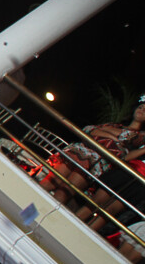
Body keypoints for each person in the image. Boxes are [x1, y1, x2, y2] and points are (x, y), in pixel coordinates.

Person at [41, 96, 145, 229]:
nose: (141, 110)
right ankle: (25, 210)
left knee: (65, 191)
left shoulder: (141, 136)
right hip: (79, 152)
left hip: (96, 162)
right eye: (140, 107)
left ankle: (45, 225)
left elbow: (125, 137)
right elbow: (89, 129)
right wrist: (113, 137)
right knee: (50, 182)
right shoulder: (117, 125)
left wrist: (104, 132)